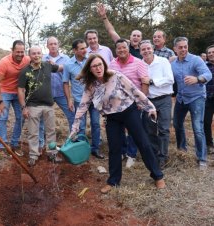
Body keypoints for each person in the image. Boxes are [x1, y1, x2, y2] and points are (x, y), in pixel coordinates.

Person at [69, 54, 165, 193]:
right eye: (94, 66)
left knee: (143, 143)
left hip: (128, 112)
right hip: (111, 117)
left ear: (104, 65)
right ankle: (113, 181)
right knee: (114, 148)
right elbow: (83, 105)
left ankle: (157, 176)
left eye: (100, 64)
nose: (98, 68)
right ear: (90, 69)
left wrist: (149, 107)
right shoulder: (91, 85)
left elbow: (134, 90)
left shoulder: (115, 76)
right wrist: (75, 126)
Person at [18, 46, 63, 166]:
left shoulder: (48, 66)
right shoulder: (25, 71)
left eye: (39, 53)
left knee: (51, 131)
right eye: (33, 53)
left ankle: (52, 154)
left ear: (42, 54)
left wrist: (56, 63)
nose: (36, 55)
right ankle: (33, 155)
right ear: (29, 56)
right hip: (33, 106)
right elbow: (21, 90)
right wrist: (23, 107)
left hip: (48, 105)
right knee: (33, 132)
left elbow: (62, 68)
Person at [171, 37, 212, 169]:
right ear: (175, 49)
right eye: (180, 47)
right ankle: (182, 151)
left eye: (185, 46)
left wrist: (197, 79)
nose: (183, 49)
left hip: (196, 97)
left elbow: (208, 74)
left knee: (197, 128)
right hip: (181, 98)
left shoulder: (196, 60)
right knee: (177, 124)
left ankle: (202, 158)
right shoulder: (173, 64)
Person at [109, 38, 149, 168]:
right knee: (119, 130)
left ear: (128, 48)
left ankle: (131, 154)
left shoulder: (138, 63)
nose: (121, 50)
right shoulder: (112, 64)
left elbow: (145, 82)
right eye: (119, 48)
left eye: (124, 47)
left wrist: (141, 101)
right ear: (116, 50)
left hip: (134, 103)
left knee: (133, 131)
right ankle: (122, 151)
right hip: (117, 104)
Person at [63, 39, 104, 159]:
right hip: (79, 100)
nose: (85, 50)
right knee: (81, 126)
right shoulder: (68, 64)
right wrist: (69, 99)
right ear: (74, 50)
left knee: (96, 124)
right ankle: (82, 150)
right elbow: (65, 83)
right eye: (81, 48)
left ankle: (95, 149)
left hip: (94, 99)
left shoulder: (91, 60)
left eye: (85, 47)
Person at [140, 40, 174, 168]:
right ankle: (154, 155)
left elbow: (170, 79)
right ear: (140, 51)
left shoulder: (163, 61)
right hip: (149, 101)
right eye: (143, 49)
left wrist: (152, 81)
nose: (146, 51)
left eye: (148, 48)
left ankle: (163, 156)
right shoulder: (140, 64)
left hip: (164, 99)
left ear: (153, 48)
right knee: (150, 130)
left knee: (164, 129)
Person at [0, 40, 30, 156]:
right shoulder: (4, 62)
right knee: (3, 117)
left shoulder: (27, 60)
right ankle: (2, 146)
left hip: (19, 93)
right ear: (12, 50)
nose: (20, 54)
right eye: (17, 52)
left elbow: (38, 62)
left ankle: (14, 143)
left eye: (22, 52)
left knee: (21, 118)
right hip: (5, 92)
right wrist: (0, 101)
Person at [204, 45, 214, 154]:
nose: (211, 54)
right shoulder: (204, 66)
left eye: (213, 52)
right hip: (208, 98)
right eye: (209, 53)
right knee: (206, 122)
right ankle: (209, 144)